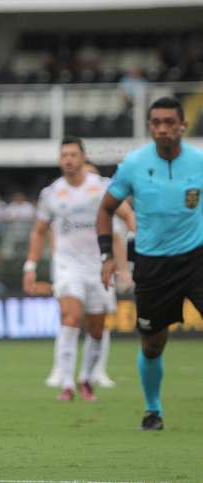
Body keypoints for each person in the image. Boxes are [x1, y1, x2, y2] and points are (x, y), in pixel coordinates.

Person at [96, 97, 203, 431]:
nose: (162, 129)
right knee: (153, 343)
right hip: (153, 265)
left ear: (183, 125)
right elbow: (105, 209)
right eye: (156, 122)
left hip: (197, 259)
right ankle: (152, 409)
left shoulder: (199, 162)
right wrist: (106, 255)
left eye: (169, 122)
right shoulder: (134, 165)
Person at [23, 137, 134, 402]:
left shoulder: (103, 188)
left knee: (96, 328)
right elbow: (39, 232)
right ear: (60, 161)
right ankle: (66, 383)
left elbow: (128, 216)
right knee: (70, 318)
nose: (69, 160)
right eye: (64, 156)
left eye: (73, 155)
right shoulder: (51, 194)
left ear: (83, 158)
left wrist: (131, 254)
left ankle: (86, 378)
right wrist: (31, 266)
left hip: (99, 266)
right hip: (67, 266)